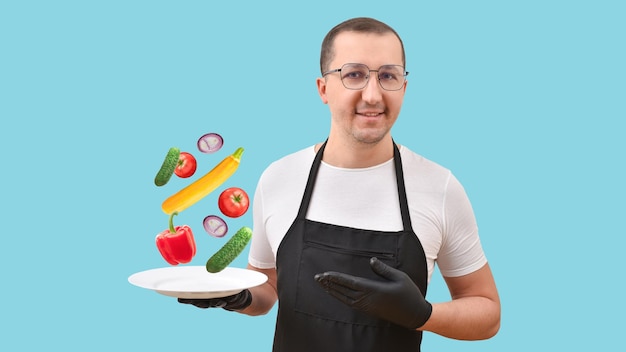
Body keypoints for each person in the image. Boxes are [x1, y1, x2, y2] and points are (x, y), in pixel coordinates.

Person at [179, 17, 501, 351]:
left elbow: (488, 313)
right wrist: (238, 296)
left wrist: (423, 314)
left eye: (388, 75)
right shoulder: (279, 177)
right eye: (354, 74)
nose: (373, 95)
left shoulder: (440, 187)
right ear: (323, 89)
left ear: (404, 87)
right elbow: (269, 288)